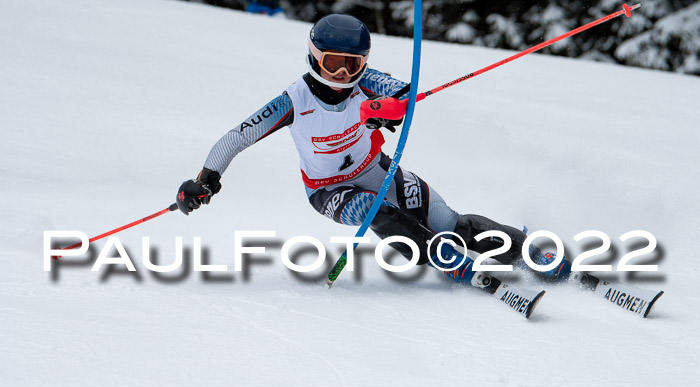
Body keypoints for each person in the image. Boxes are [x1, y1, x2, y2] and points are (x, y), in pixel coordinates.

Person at [176, 13, 572, 286]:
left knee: (452, 223)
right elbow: (236, 138)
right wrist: (205, 180)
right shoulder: (293, 102)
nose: (342, 75)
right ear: (314, 56)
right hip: (329, 190)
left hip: (378, 170)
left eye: (352, 64)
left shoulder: (365, 82)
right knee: (377, 212)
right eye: (333, 64)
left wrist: (384, 109)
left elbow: (402, 93)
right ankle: (445, 260)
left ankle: (528, 254)